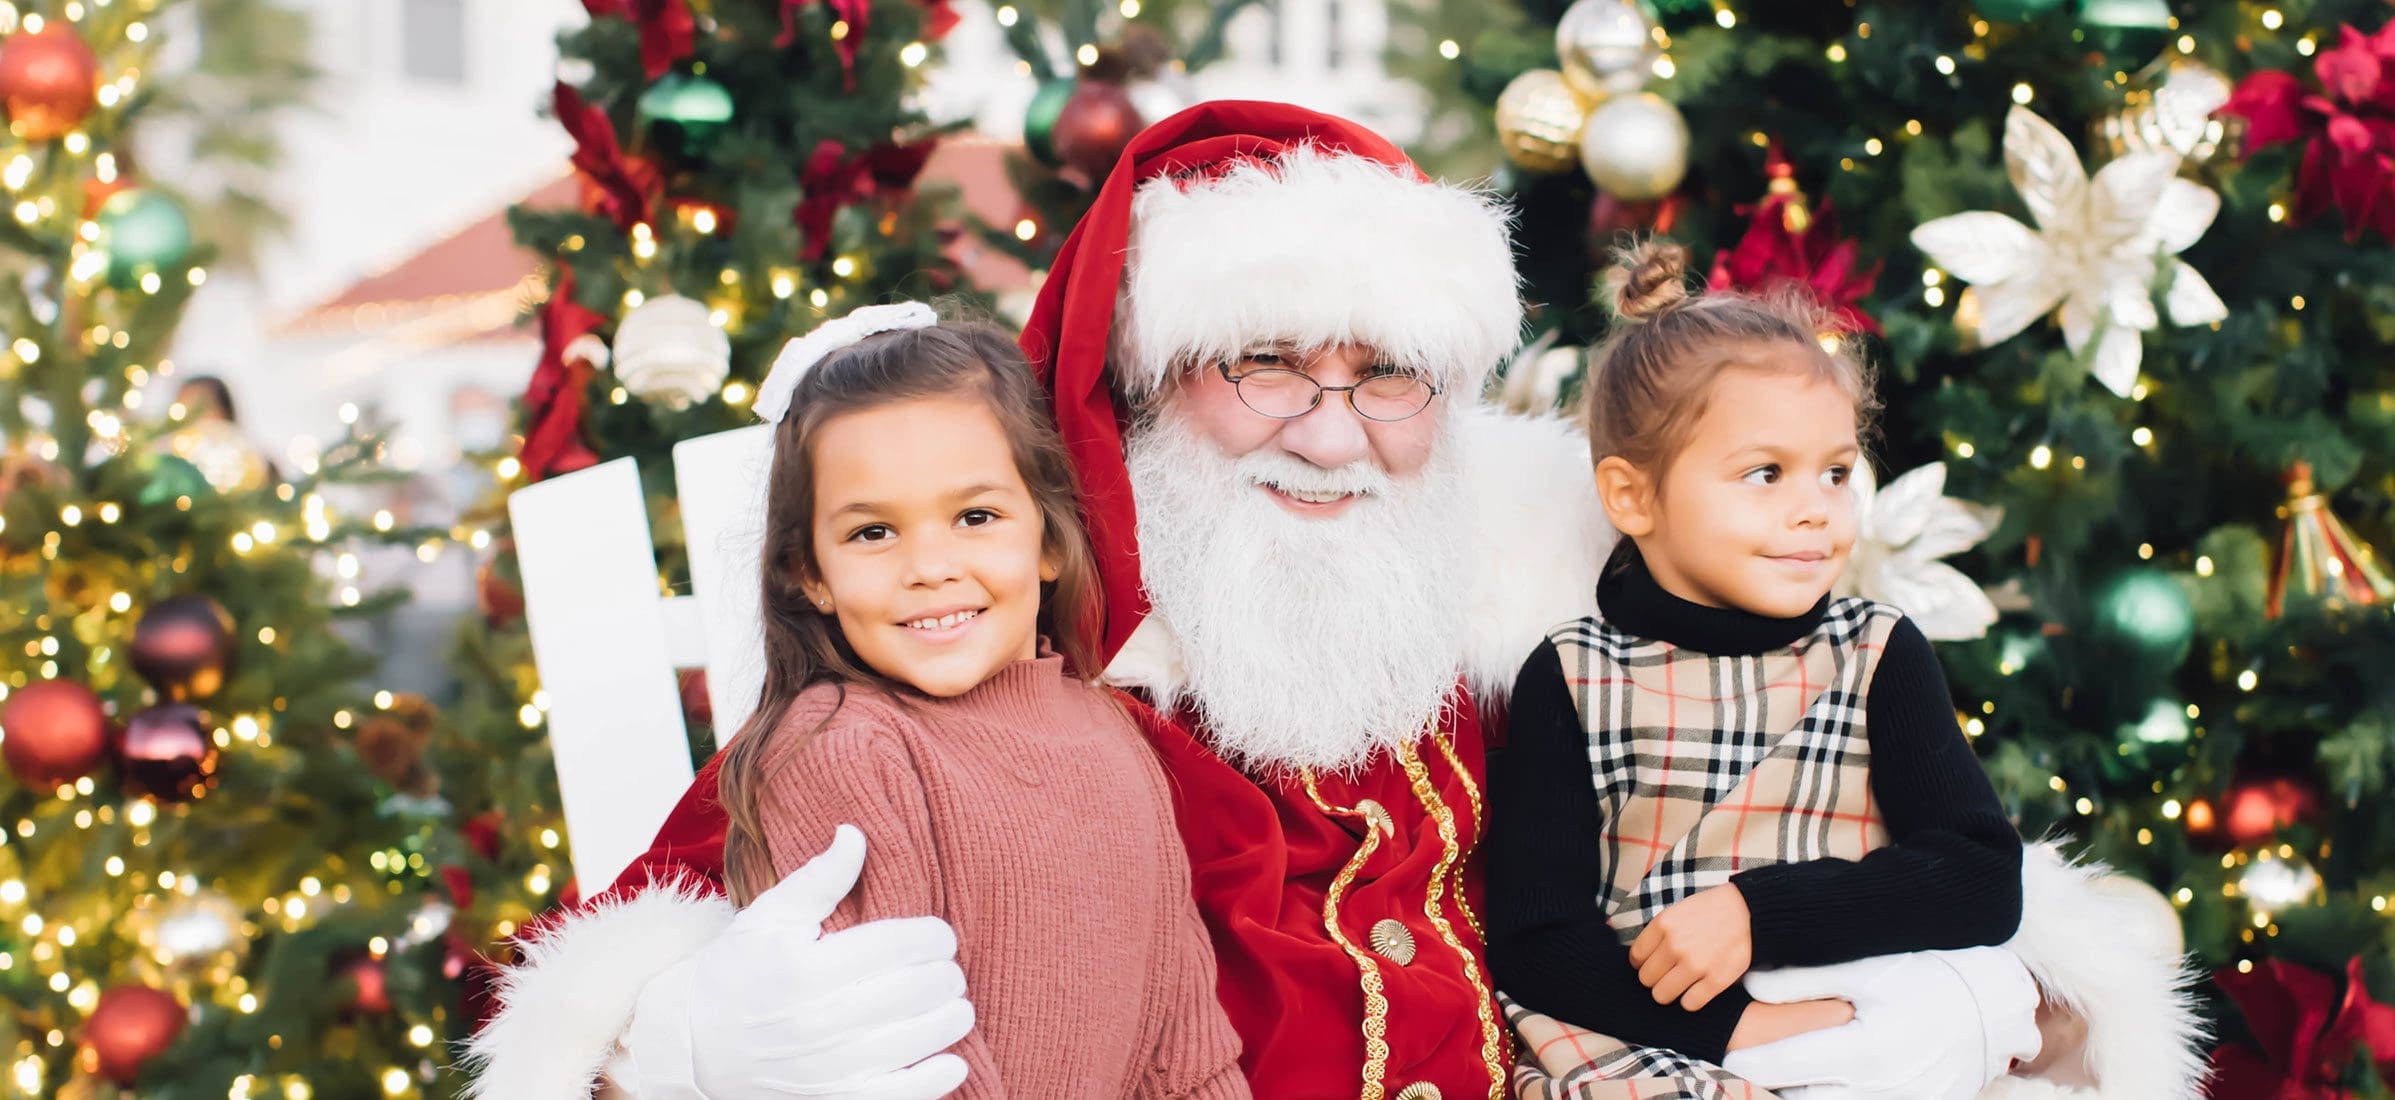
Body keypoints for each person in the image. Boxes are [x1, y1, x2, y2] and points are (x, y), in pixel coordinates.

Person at [464, 102, 2207, 1100]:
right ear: (1147, 388)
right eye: (1261, 364)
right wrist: (683, 1042)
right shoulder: (991, 651)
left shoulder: (1530, 620)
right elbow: (649, 934)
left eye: (1388, 376)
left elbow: (1821, 812)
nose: (1331, 425)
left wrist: (1986, 985)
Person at [1486, 243, 2043, 1099]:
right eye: (1765, 474)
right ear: (1633, 497)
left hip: (1869, 1022)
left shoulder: (1876, 653)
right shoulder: (1573, 675)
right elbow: (1538, 938)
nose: (1815, 507)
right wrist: (1734, 1033)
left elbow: (1979, 876)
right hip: (1652, 1037)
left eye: (1836, 472)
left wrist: (1759, 913)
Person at [712, 302, 1246, 1098]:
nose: (930, 566)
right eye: (872, 533)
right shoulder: (843, 752)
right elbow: (901, 1061)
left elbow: (1183, 1047)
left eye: (975, 516)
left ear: (1050, 542)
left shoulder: (1109, 733)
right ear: (810, 573)